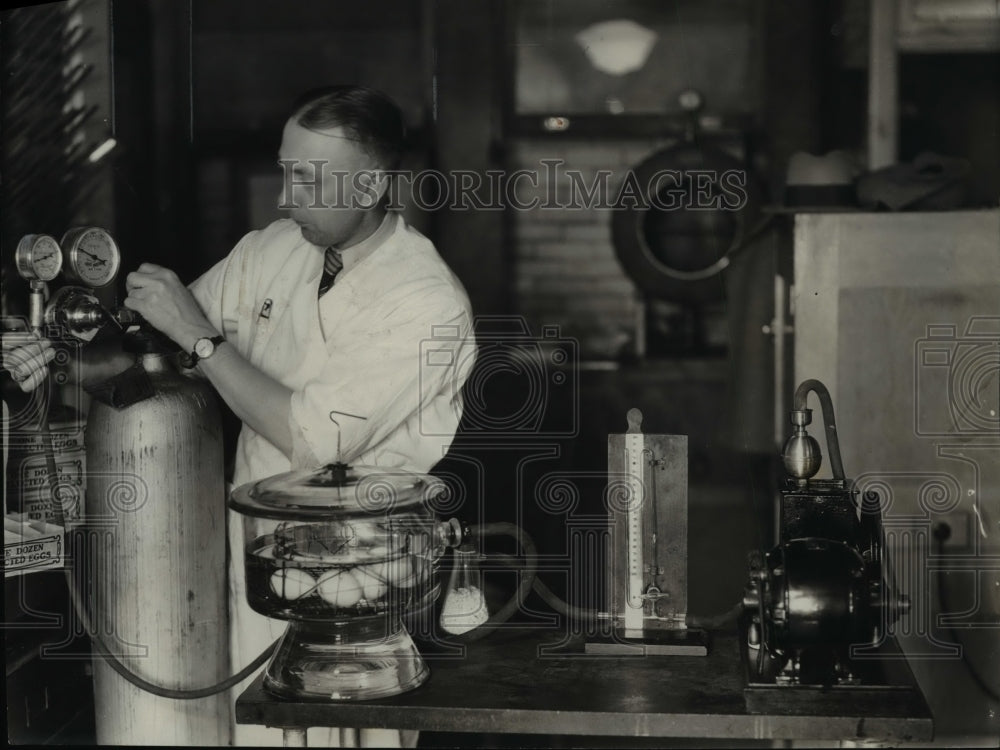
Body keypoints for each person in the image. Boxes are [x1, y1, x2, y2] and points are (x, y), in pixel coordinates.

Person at [5, 85, 476, 747]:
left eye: (307, 180)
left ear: (371, 185)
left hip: (361, 588)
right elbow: (148, 352)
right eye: (285, 170)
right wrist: (54, 361)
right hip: (257, 567)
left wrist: (200, 337)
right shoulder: (273, 251)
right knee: (252, 731)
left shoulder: (424, 301)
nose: (286, 197)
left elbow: (315, 439)